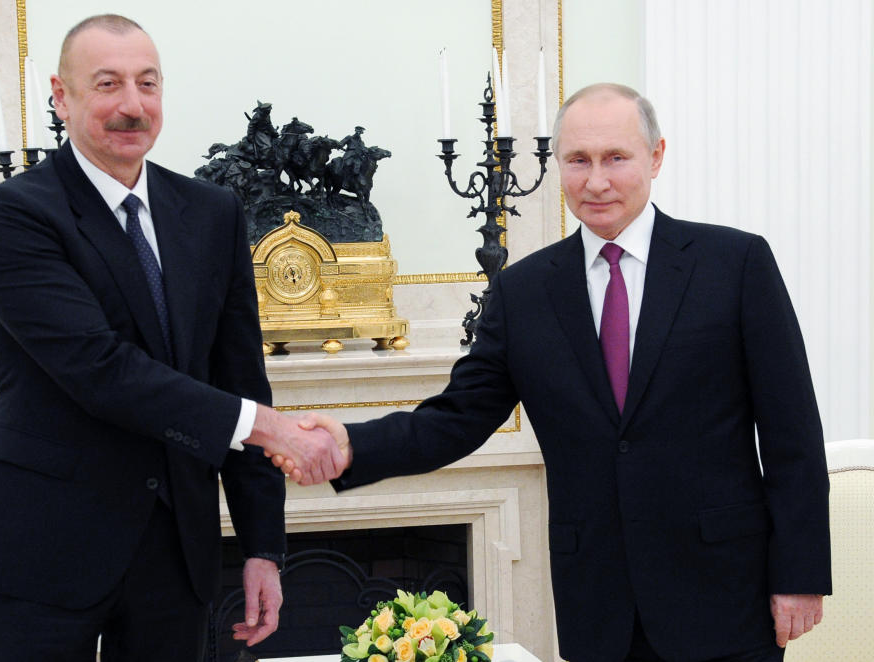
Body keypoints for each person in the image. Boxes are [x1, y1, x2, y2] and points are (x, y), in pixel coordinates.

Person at [284, 84, 832, 662]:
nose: (596, 181)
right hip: (598, 606)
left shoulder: (736, 264)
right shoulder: (524, 292)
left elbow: (792, 434)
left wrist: (799, 574)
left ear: (657, 156)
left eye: (616, 158)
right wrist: (350, 445)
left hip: (725, 599)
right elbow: (455, 420)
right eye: (578, 160)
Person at [0, 14, 345, 661]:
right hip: (46, 545)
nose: (132, 106)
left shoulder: (214, 212)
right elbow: (99, 368)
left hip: (175, 548)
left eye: (147, 84)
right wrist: (268, 427)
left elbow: (238, 375)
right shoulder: (13, 215)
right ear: (62, 95)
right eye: (107, 84)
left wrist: (262, 548)